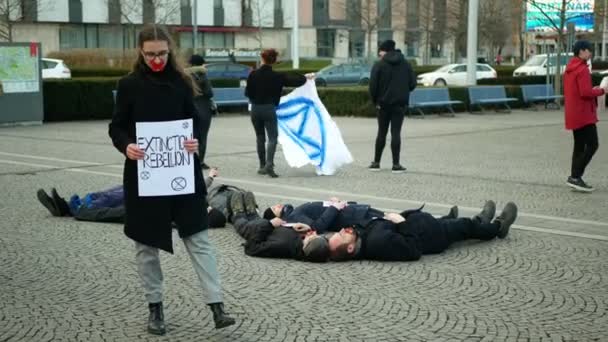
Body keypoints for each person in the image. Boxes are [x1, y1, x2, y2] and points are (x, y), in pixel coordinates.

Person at [108, 25, 235, 335]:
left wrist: (193, 142)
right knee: (146, 244)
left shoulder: (181, 81)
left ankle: (217, 306)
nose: (156, 60)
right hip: (144, 174)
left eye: (162, 53)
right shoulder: (129, 85)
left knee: (199, 238)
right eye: (150, 54)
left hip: (181, 172)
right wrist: (127, 146)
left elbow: (193, 122)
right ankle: (155, 309)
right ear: (140, 51)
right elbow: (117, 127)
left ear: (170, 51)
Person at [326, 201, 518, 262]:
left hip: (422, 224)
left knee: (460, 224)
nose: (342, 230)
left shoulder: (361, 238)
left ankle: (480, 221)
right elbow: (412, 250)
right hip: (432, 235)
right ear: (350, 248)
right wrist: (401, 222)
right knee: (464, 227)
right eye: (342, 235)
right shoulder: (378, 243)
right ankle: (498, 227)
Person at [36, 169, 227, 228]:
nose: (207, 207)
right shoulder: (197, 206)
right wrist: (210, 176)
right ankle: (67, 206)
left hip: (144, 205)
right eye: (208, 208)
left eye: (208, 211)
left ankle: (69, 209)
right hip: (148, 194)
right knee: (107, 194)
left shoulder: (189, 220)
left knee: (109, 202)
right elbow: (198, 188)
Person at [244, 48, 313, 178]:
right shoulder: (277, 76)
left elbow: (247, 93)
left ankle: (262, 165)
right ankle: (269, 165)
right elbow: (297, 81)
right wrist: (305, 77)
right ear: (274, 61)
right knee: (272, 138)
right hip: (269, 109)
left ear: (262, 59)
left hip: (255, 109)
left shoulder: (253, 74)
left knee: (260, 137)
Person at [229, 192, 330, 262]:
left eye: (312, 236)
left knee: (239, 217)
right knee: (251, 207)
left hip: (252, 230)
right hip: (264, 224)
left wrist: (270, 225)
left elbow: (251, 248)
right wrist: (306, 227)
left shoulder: (282, 246)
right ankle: (251, 213)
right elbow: (324, 238)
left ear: (306, 245)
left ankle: (238, 213)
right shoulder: (301, 242)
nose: (313, 233)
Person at [262, 199, 457, 234]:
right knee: (396, 220)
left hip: (355, 212)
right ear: (277, 215)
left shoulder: (295, 210)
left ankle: (444, 220)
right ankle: (445, 221)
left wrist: (332, 202)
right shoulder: (293, 215)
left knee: (396, 217)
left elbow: (321, 211)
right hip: (354, 219)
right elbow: (317, 226)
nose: (279, 204)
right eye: (275, 207)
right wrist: (336, 207)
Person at [563, 40, 605, 192]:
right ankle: (575, 176)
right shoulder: (582, 69)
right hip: (584, 114)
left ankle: (575, 178)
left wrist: (591, 89)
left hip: (574, 112)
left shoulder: (570, 67)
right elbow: (585, 92)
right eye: (589, 50)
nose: (591, 53)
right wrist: (601, 90)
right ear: (581, 51)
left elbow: (579, 90)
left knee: (579, 146)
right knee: (593, 144)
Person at [368, 39, 416, 173]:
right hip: (400, 104)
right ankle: (396, 165)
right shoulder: (406, 64)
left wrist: (375, 102)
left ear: (384, 51)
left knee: (381, 132)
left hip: (382, 105)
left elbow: (372, 87)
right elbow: (412, 84)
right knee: (396, 133)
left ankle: (376, 163)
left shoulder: (379, 65)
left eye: (380, 52)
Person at [187, 54, 215, 170]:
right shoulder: (203, 74)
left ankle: (190, 159)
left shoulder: (186, 76)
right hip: (203, 107)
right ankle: (201, 161)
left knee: (191, 136)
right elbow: (209, 93)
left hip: (190, 108)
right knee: (203, 136)